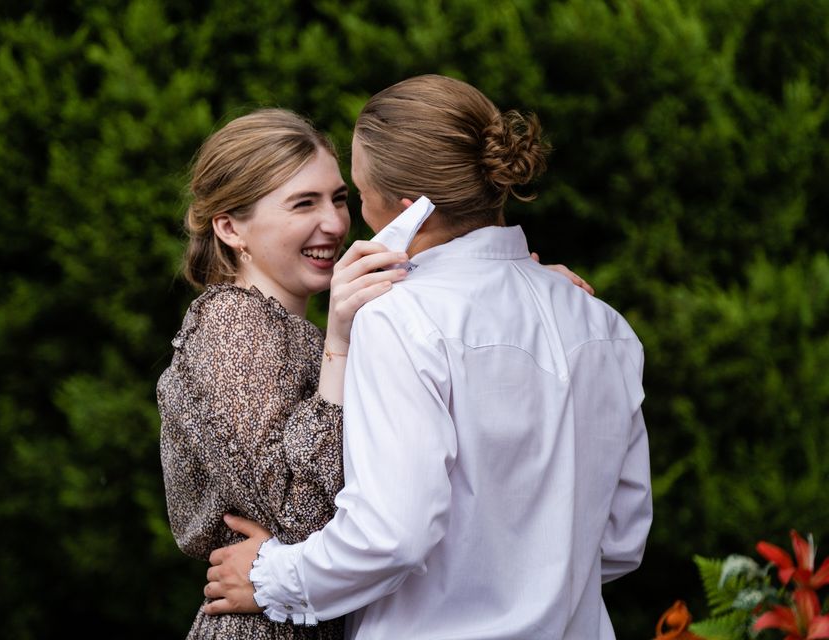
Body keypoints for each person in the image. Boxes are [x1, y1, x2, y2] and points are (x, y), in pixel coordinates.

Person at [203, 75, 653, 640]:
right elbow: (620, 539)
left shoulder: (400, 319)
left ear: (406, 211)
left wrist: (272, 577)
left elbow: (392, 534)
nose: (347, 222)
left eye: (356, 195)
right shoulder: (604, 325)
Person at [157, 108, 411, 639]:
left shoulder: (295, 332)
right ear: (229, 227)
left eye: (339, 198)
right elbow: (296, 513)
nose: (336, 224)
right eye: (304, 204)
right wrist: (340, 342)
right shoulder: (231, 323)